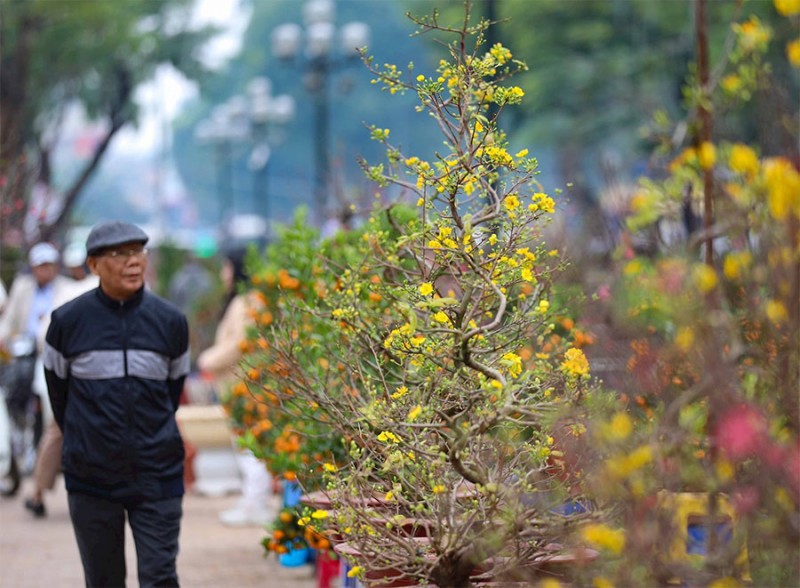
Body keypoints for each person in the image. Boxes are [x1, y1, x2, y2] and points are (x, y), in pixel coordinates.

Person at [43, 221, 190, 587]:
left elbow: (172, 391)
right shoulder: (67, 323)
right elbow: (59, 395)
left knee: (159, 576)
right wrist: (90, 437)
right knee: (103, 580)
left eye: (138, 252)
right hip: (91, 477)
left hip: (157, 473)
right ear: (93, 265)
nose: (133, 262)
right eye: (119, 254)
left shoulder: (170, 322)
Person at [196, 247, 272, 527]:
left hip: (245, 386)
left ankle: (255, 502)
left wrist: (208, 359)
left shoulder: (246, 302)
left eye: (226, 267)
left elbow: (239, 343)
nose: (222, 274)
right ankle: (252, 500)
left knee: (249, 447)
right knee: (247, 446)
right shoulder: (249, 300)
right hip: (242, 385)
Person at [24, 242, 99, 518]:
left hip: (78, 378)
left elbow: (46, 337)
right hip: (75, 378)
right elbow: (47, 338)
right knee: (57, 429)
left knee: (56, 430)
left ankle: (38, 492)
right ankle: (38, 492)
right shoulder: (68, 292)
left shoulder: (68, 291)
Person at [0, 242, 73, 472]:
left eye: (49, 265)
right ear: (33, 267)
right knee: (16, 392)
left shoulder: (65, 288)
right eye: (41, 266)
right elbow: (10, 320)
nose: (45, 270)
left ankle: (45, 453)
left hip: (50, 353)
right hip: (22, 351)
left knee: (49, 400)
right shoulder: (23, 287)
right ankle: (22, 441)